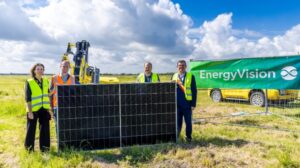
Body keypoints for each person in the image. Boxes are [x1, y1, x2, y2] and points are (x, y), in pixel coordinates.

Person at [24, 63, 52, 152]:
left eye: (42, 69)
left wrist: (55, 90)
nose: (40, 71)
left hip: (44, 109)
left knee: (45, 129)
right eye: (38, 69)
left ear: (43, 71)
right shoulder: (29, 82)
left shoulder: (46, 81)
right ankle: (29, 149)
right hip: (33, 109)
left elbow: (47, 94)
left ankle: (45, 149)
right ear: (34, 71)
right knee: (31, 129)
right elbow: (27, 98)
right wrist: (30, 112)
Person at [172, 60, 197, 142]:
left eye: (183, 65)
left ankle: (188, 137)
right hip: (177, 105)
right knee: (177, 123)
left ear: (186, 67)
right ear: (177, 67)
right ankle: (177, 137)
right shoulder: (174, 76)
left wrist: (193, 104)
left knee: (188, 123)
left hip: (187, 104)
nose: (181, 67)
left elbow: (194, 90)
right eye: (179, 65)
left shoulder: (190, 76)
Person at [49, 60, 75, 134]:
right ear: (60, 66)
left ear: (69, 67)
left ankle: (66, 141)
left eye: (67, 66)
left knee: (68, 124)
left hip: (68, 105)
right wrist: (51, 106)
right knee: (58, 124)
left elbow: (74, 93)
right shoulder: (54, 78)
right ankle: (59, 141)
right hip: (57, 105)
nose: (65, 68)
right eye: (63, 66)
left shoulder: (73, 78)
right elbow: (50, 94)